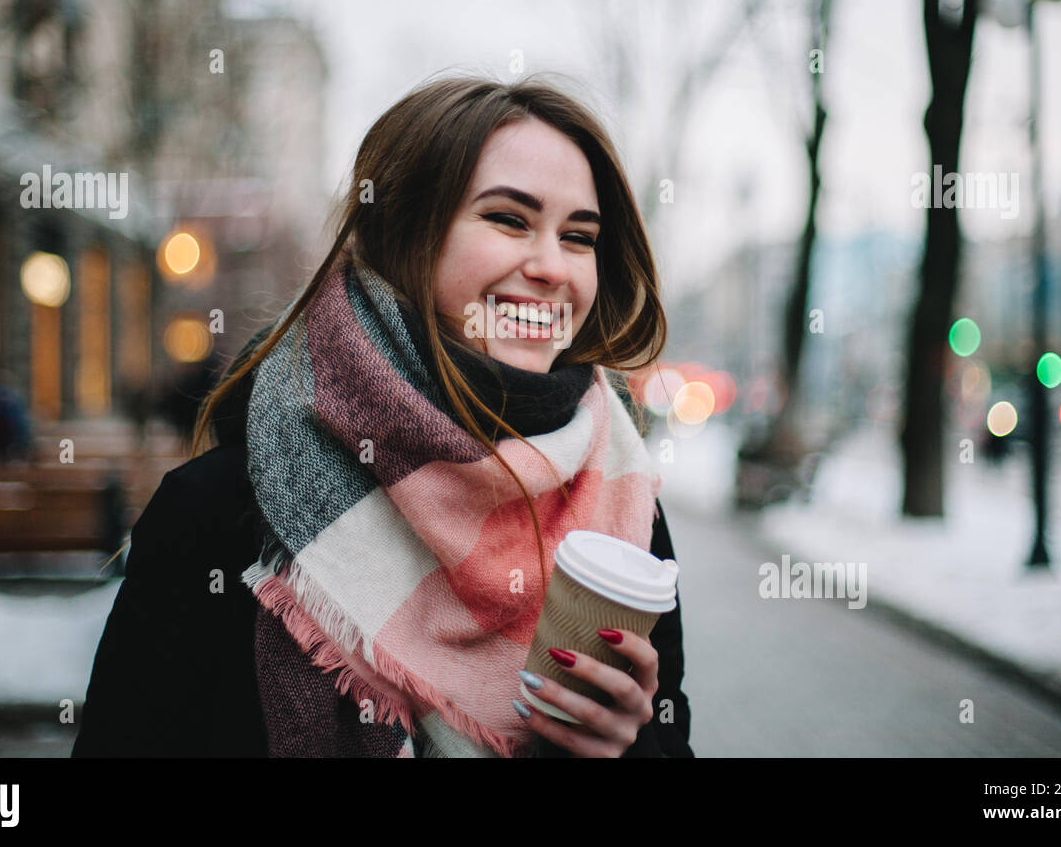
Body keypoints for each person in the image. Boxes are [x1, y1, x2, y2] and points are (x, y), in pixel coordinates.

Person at [73, 73, 694, 758]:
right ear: (407, 239)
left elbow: (669, 735)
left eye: (579, 236)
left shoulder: (621, 511)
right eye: (509, 219)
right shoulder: (220, 513)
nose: (553, 267)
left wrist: (632, 748)